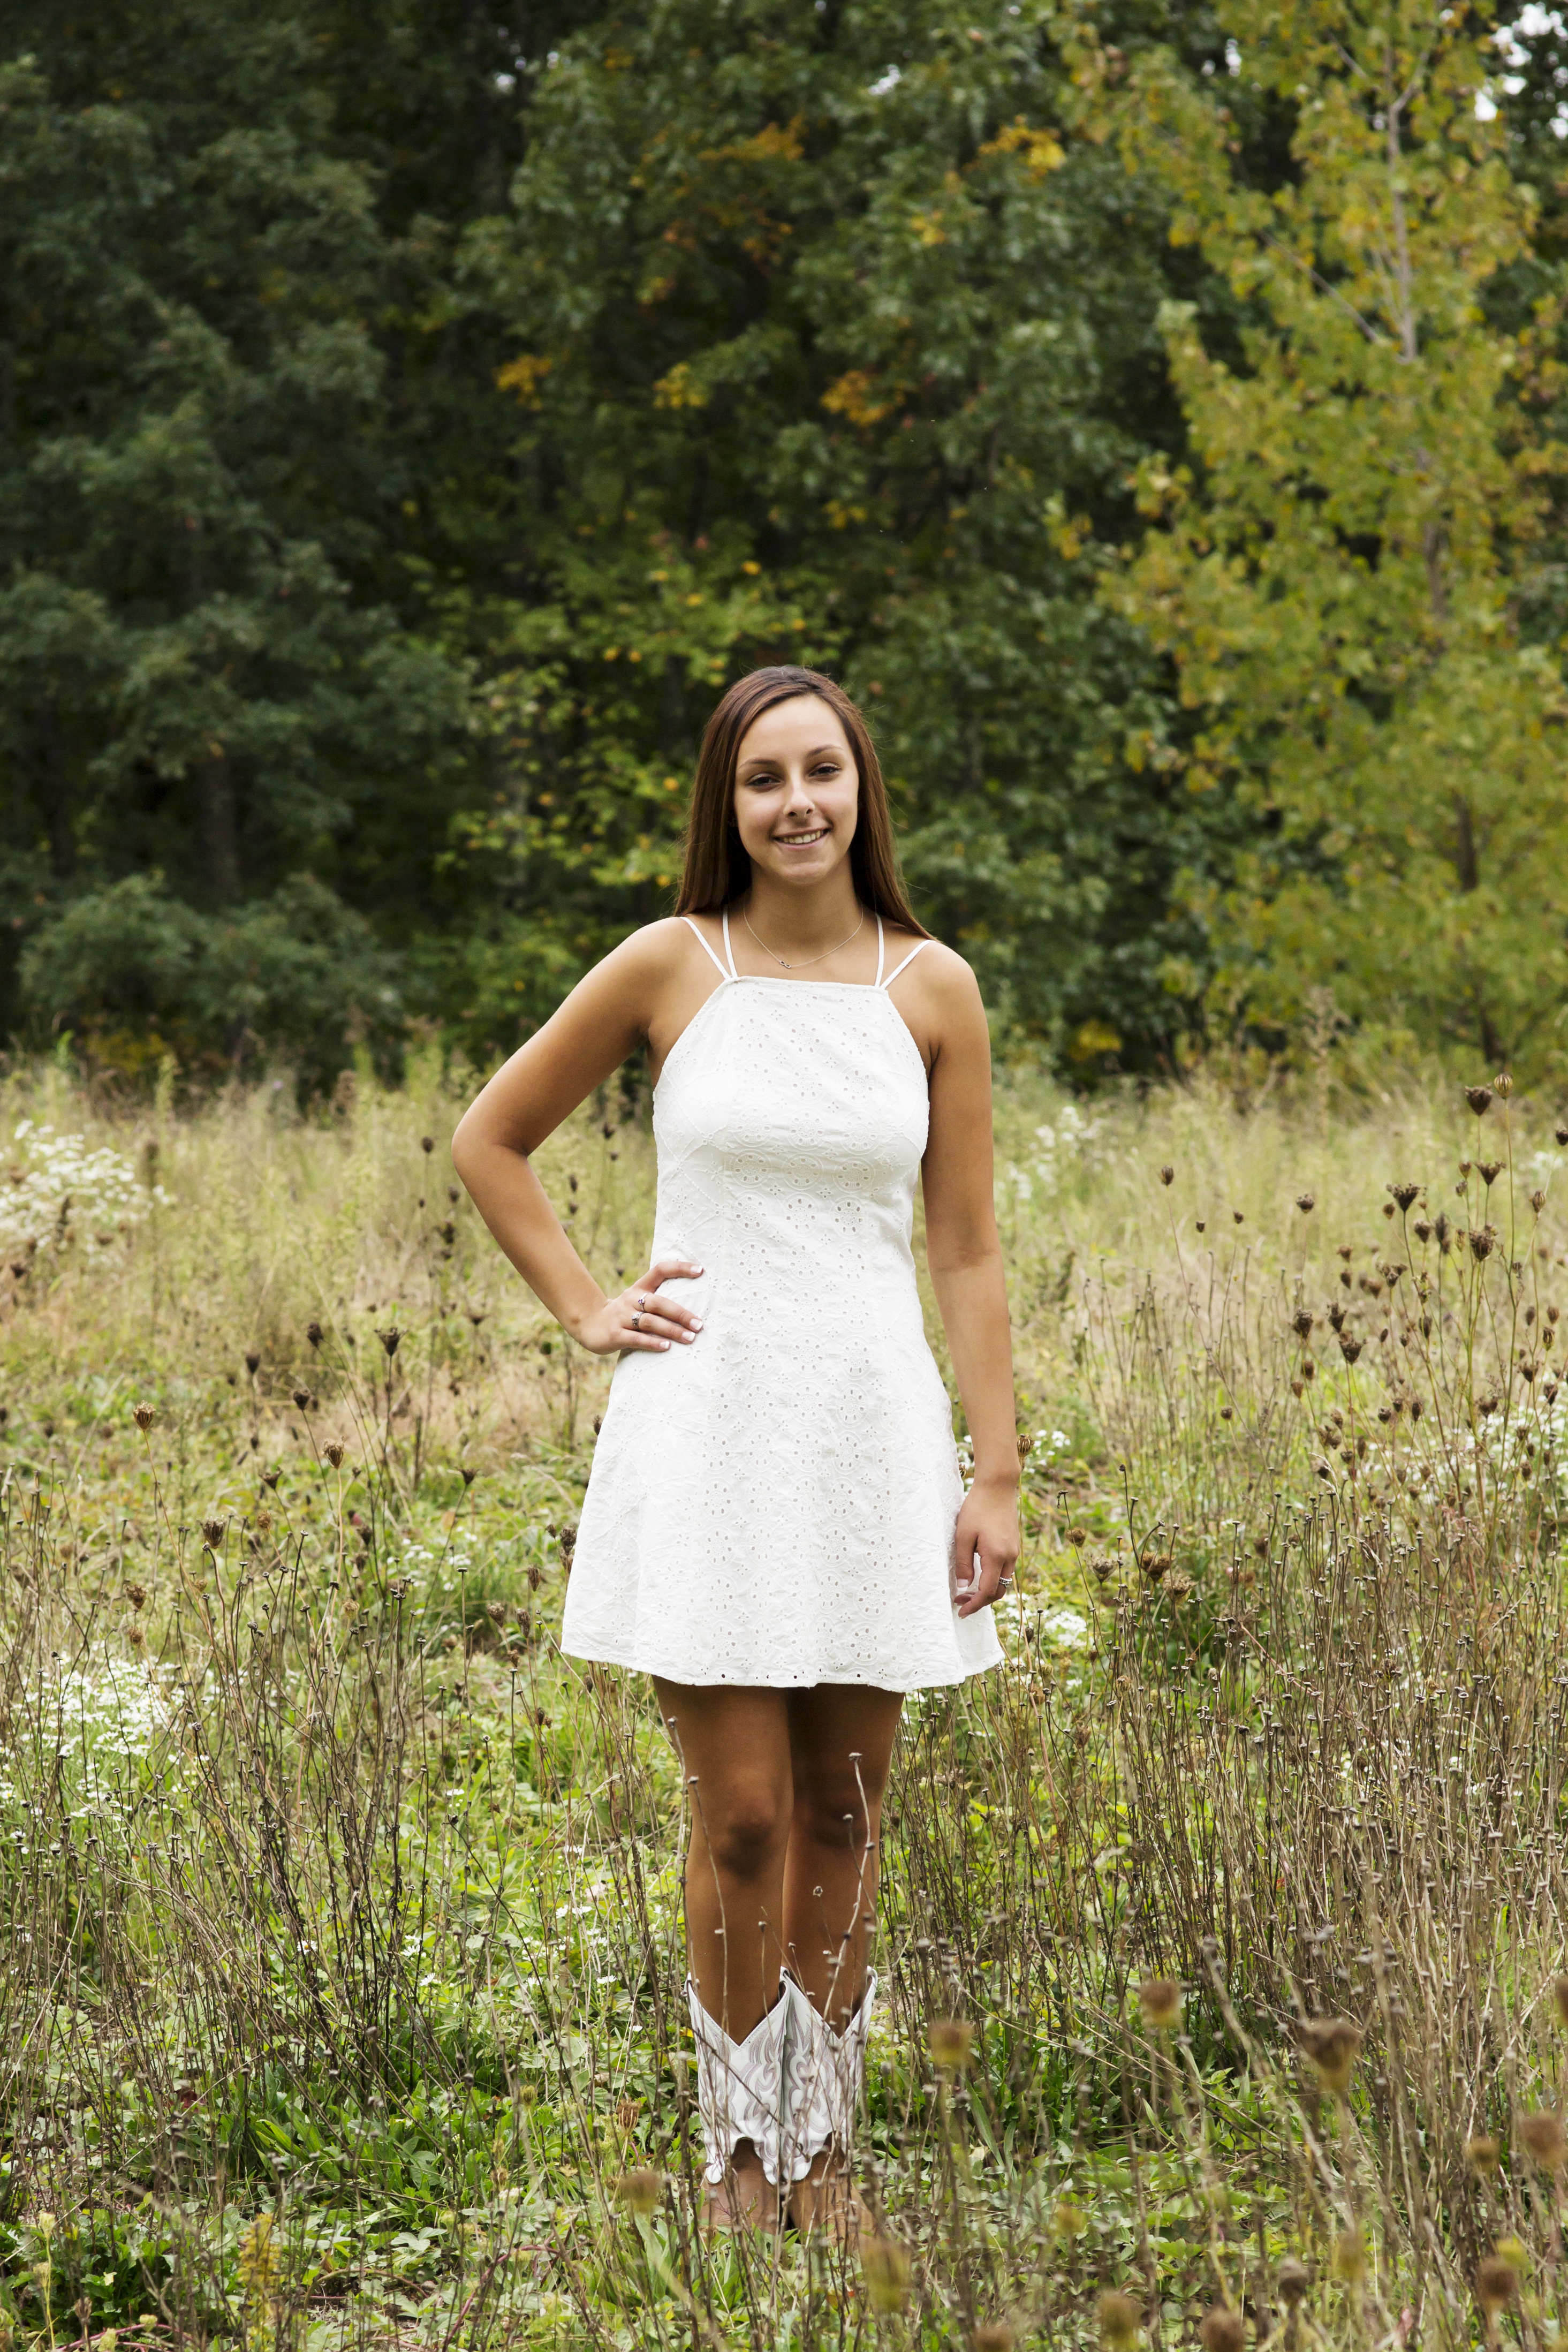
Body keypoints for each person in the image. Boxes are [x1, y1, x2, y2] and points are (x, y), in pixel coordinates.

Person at [452, 665, 1019, 2234]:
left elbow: (964, 1249)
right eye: (762, 778)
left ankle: (825, 2148)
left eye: (820, 771)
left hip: (868, 1432)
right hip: (705, 1428)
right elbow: (490, 1136)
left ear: (861, 788)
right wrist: (584, 1304)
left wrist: (993, 1472)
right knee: (745, 1812)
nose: (795, 803)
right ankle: (737, 2153)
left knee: (843, 1804)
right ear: (728, 801)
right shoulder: (668, 964)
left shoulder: (931, 989)